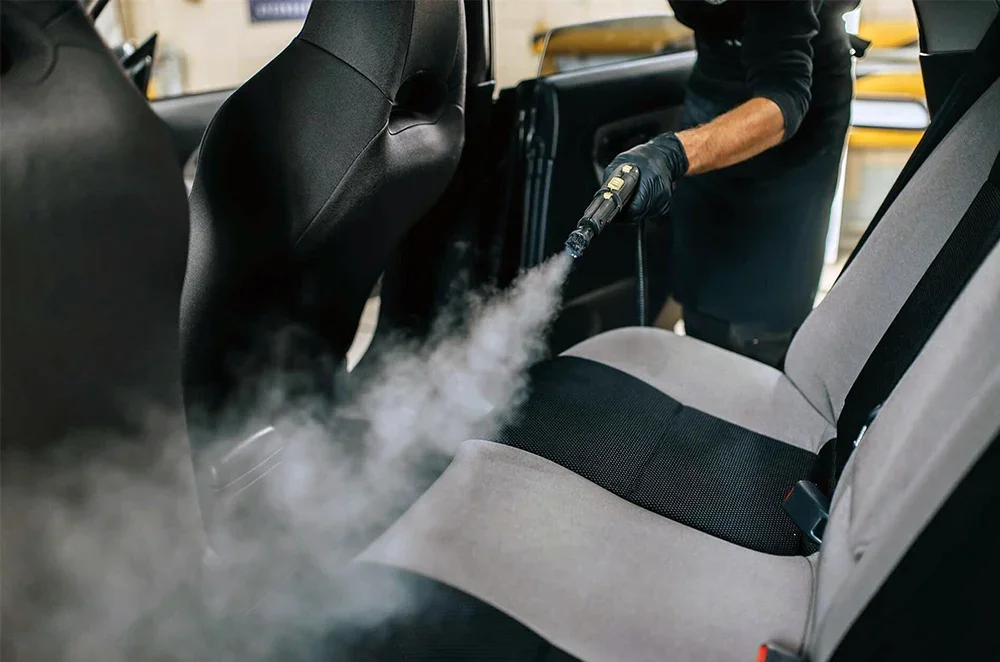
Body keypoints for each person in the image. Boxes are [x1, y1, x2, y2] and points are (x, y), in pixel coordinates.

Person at [606, 0, 857, 367]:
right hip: (714, 85)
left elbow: (784, 97)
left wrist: (675, 153)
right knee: (698, 258)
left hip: (788, 116)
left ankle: (759, 362)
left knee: (757, 298)